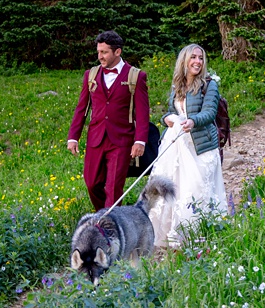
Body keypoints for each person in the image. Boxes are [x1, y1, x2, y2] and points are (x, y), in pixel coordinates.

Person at [147, 44, 228, 248]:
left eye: (201, 58)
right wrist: (168, 119)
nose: (198, 62)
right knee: (177, 188)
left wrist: (192, 121)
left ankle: (199, 236)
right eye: (193, 57)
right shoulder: (177, 87)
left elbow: (209, 112)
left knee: (196, 189)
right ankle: (174, 237)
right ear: (184, 60)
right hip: (178, 146)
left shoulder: (209, 85)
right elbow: (167, 112)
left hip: (201, 147)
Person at [68, 31, 150, 211]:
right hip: (95, 139)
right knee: (91, 183)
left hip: (121, 141)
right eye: (99, 52)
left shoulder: (136, 76)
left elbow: (143, 113)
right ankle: (103, 215)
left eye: (104, 52)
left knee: (114, 188)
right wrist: (73, 136)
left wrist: (139, 141)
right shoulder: (90, 75)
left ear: (117, 52)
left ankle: (108, 226)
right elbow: (82, 108)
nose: (100, 57)